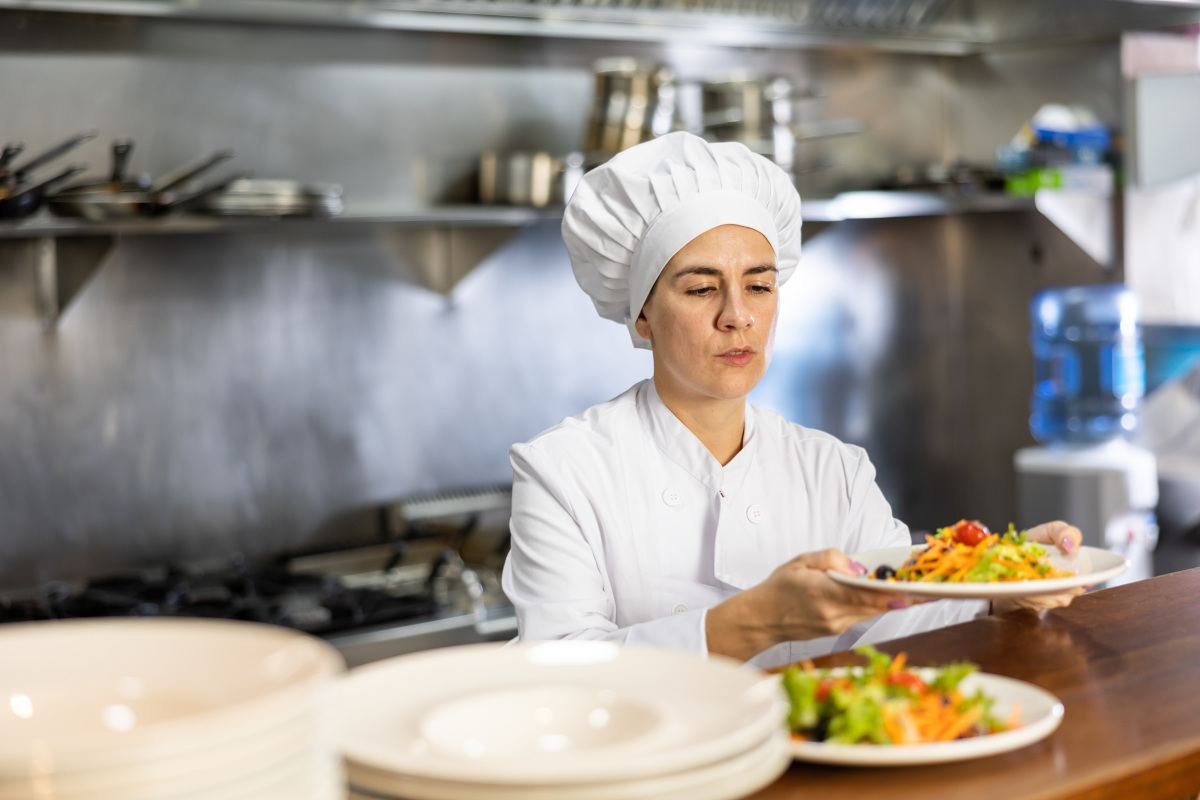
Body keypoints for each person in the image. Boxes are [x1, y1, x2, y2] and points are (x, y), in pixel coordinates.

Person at [501, 132, 1082, 668]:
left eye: (758, 285)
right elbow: (558, 675)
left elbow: (895, 618)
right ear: (644, 314)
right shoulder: (565, 472)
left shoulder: (833, 471)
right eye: (702, 288)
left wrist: (996, 581)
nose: (738, 316)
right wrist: (753, 623)